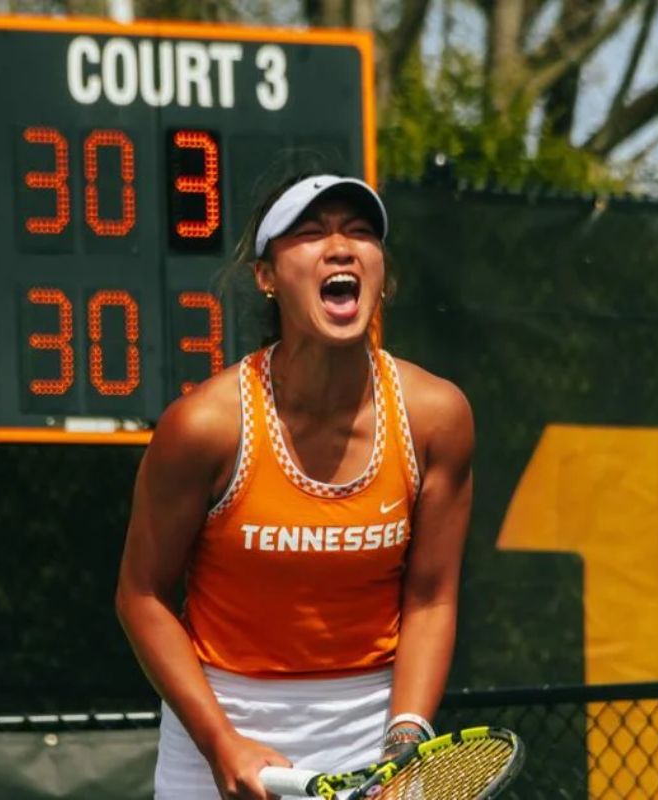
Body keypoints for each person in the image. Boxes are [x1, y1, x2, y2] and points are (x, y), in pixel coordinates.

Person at [115, 172, 475, 799]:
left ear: (380, 273)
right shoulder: (204, 426)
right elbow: (141, 597)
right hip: (221, 727)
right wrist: (221, 743)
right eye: (310, 234)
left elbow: (431, 600)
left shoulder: (437, 416)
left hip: (375, 730)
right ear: (266, 276)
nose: (340, 248)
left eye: (361, 233)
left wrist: (406, 743)